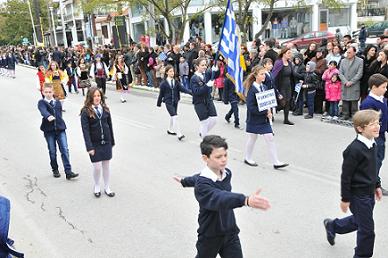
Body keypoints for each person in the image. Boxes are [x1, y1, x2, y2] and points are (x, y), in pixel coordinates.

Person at [173, 135, 271, 258]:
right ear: (205, 158)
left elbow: (197, 177)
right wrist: (244, 200)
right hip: (210, 235)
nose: (224, 159)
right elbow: (219, 198)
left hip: (230, 232)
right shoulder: (202, 186)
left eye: (225, 155)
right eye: (218, 157)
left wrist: (185, 181)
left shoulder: (226, 173)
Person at [323, 109, 383, 258]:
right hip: (358, 196)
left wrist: (377, 184)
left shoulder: (372, 143)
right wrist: (345, 199)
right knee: (367, 231)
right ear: (360, 128)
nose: (377, 127)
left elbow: (373, 168)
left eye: (378, 123)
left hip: (369, 193)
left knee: (359, 221)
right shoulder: (354, 150)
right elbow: (346, 177)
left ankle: (333, 225)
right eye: (372, 124)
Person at [243, 66, 289, 169]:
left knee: (270, 138)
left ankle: (276, 162)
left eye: (264, 74)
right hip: (254, 119)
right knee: (252, 138)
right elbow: (251, 107)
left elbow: (267, 101)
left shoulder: (264, 87)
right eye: (261, 74)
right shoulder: (252, 90)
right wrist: (265, 112)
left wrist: (270, 110)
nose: (264, 76)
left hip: (264, 119)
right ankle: (247, 157)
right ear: (255, 75)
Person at [37, 83, 79, 180]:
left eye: (50, 92)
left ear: (53, 92)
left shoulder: (57, 102)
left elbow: (60, 115)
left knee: (64, 149)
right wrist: (48, 116)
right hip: (49, 131)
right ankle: (55, 169)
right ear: (43, 92)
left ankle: (68, 172)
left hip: (60, 130)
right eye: (46, 92)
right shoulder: (41, 102)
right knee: (52, 151)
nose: (48, 94)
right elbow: (43, 111)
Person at [80, 87, 116, 198]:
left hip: (106, 142)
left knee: (106, 165)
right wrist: (89, 147)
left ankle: (107, 187)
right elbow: (85, 131)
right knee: (97, 167)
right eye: (94, 96)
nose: (97, 98)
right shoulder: (85, 111)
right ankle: (96, 186)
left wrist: (112, 141)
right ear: (90, 97)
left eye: (99, 96)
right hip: (94, 144)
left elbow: (110, 126)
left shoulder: (105, 109)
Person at [360, 73, 388, 196]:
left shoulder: (383, 100)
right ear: (374, 87)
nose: (386, 89)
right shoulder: (368, 104)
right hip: (373, 137)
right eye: (383, 87)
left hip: (381, 135)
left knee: (379, 160)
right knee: (374, 161)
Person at [157, 65, 191, 141]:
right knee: (175, 116)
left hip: (175, 101)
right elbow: (161, 94)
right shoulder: (163, 83)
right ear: (167, 72)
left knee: (173, 116)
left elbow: (183, 89)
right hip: (168, 102)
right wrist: (158, 103)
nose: (172, 73)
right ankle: (179, 134)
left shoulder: (176, 82)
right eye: (170, 71)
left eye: (173, 71)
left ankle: (170, 129)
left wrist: (192, 93)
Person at [190, 58, 218, 138]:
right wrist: (206, 86)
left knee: (214, 119)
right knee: (204, 122)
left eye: (205, 65)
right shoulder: (194, 78)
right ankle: (204, 140)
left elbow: (216, 75)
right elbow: (196, 92)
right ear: (197, 66)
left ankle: (203, 132)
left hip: (208, 100)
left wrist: (216, 69)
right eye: (202, 65)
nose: (205, 67)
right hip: (199, 103)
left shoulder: (206, 74)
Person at [338, 46, 364, 120]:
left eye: (350, 52)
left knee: (354, 101)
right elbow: (340, 73)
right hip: (345, 84)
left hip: (354, 84)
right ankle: (345, 114)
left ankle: (354, 116)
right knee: (345, 100)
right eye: (347, 52)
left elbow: (359, 73)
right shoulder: (343, 61)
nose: (348, 54)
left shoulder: (360, 61)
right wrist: (345, 81)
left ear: (354, 53)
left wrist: (351, 82)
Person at [272, 48, 295, 125]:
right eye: (289, 53)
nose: (290, 55)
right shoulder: (278, 62)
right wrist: (275, 88)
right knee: (283, 102)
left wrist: (302, 77)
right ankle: (271, 111)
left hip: (288, 85)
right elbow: (274, 76)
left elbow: (293, 74)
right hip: (280, 85)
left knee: (288, 102)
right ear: (284, 53)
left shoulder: (289, 63)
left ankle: (286, 119)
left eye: (290, 53)